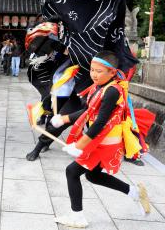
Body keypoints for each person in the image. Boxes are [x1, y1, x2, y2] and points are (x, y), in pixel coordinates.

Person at [52, 51, 150, 228]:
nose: (94, 74)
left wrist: (80, 145)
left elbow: (100, 121)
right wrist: (63, 119)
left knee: (72, 172)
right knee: (93, 175)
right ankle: (134, 192)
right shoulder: (100, 87)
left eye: (99, 71)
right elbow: (88, 111)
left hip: (104, 143)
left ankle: (77, 217)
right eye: (92, 70)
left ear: (112, 72)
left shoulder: (112, 91)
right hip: (100, 141)